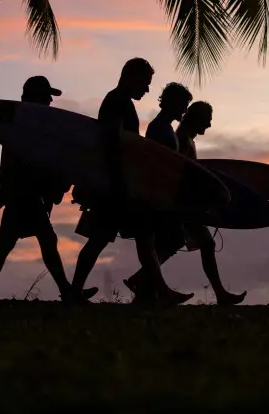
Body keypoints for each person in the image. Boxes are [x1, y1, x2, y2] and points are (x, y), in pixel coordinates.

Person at [70, 59, 193, 306]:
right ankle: (75, 292)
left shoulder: (121, 102)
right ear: (131, 77)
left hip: (119, 183)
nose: (147, 90)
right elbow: (113, 144)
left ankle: (157, 290)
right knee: (106, 238)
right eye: (145, 83)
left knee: (136, 237)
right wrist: (121, 183)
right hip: (116, 185)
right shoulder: (116, 102)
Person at [0, 76, 97, 304]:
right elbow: (10, 153)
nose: (51, 101)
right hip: (25, 193)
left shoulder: (32, 124)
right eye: (46, 96)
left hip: (27, 193)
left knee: (8, 243)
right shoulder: (21, 122)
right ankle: (67, 292)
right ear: (35, 96)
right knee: (44, 240)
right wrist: (5, 188)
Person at [124, 100, 247, 306]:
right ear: (197, 118)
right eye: (207, 120)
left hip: (187, 204)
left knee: (191, 243)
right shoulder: (180, 138)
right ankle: (144, 283)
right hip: (182, 204)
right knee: (189, 242)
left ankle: (142, 284)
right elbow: (176, 173)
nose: (208, 125)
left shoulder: (186, 136)